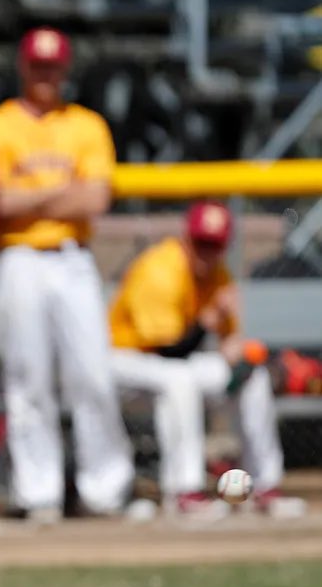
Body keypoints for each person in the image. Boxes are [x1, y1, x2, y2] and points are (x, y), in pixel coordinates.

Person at [0, 28, 134, 522]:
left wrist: (31, 194)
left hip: (73, 257)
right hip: (20, 256)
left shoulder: (86, 124)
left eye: (54, 66)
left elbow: (96, 199)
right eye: (37, 65)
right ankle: (38, 490)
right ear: (23, 67)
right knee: (28, 379)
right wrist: (59, 190)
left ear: (65, 70)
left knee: (91, 372)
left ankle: (104, 489)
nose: (45, 74)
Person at [108, 202, 306, 519]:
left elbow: (226, 339)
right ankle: (184, 490)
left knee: (252, 377)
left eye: (214, 246)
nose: (206, 253)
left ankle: (265, 486)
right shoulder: (160, 269)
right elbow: (169, 351)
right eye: (201, 243)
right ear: (187, 238)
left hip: (172, 364)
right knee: (179, 380)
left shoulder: (217, 274)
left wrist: (236, 354)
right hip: (124, 362)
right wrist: (211, 321)